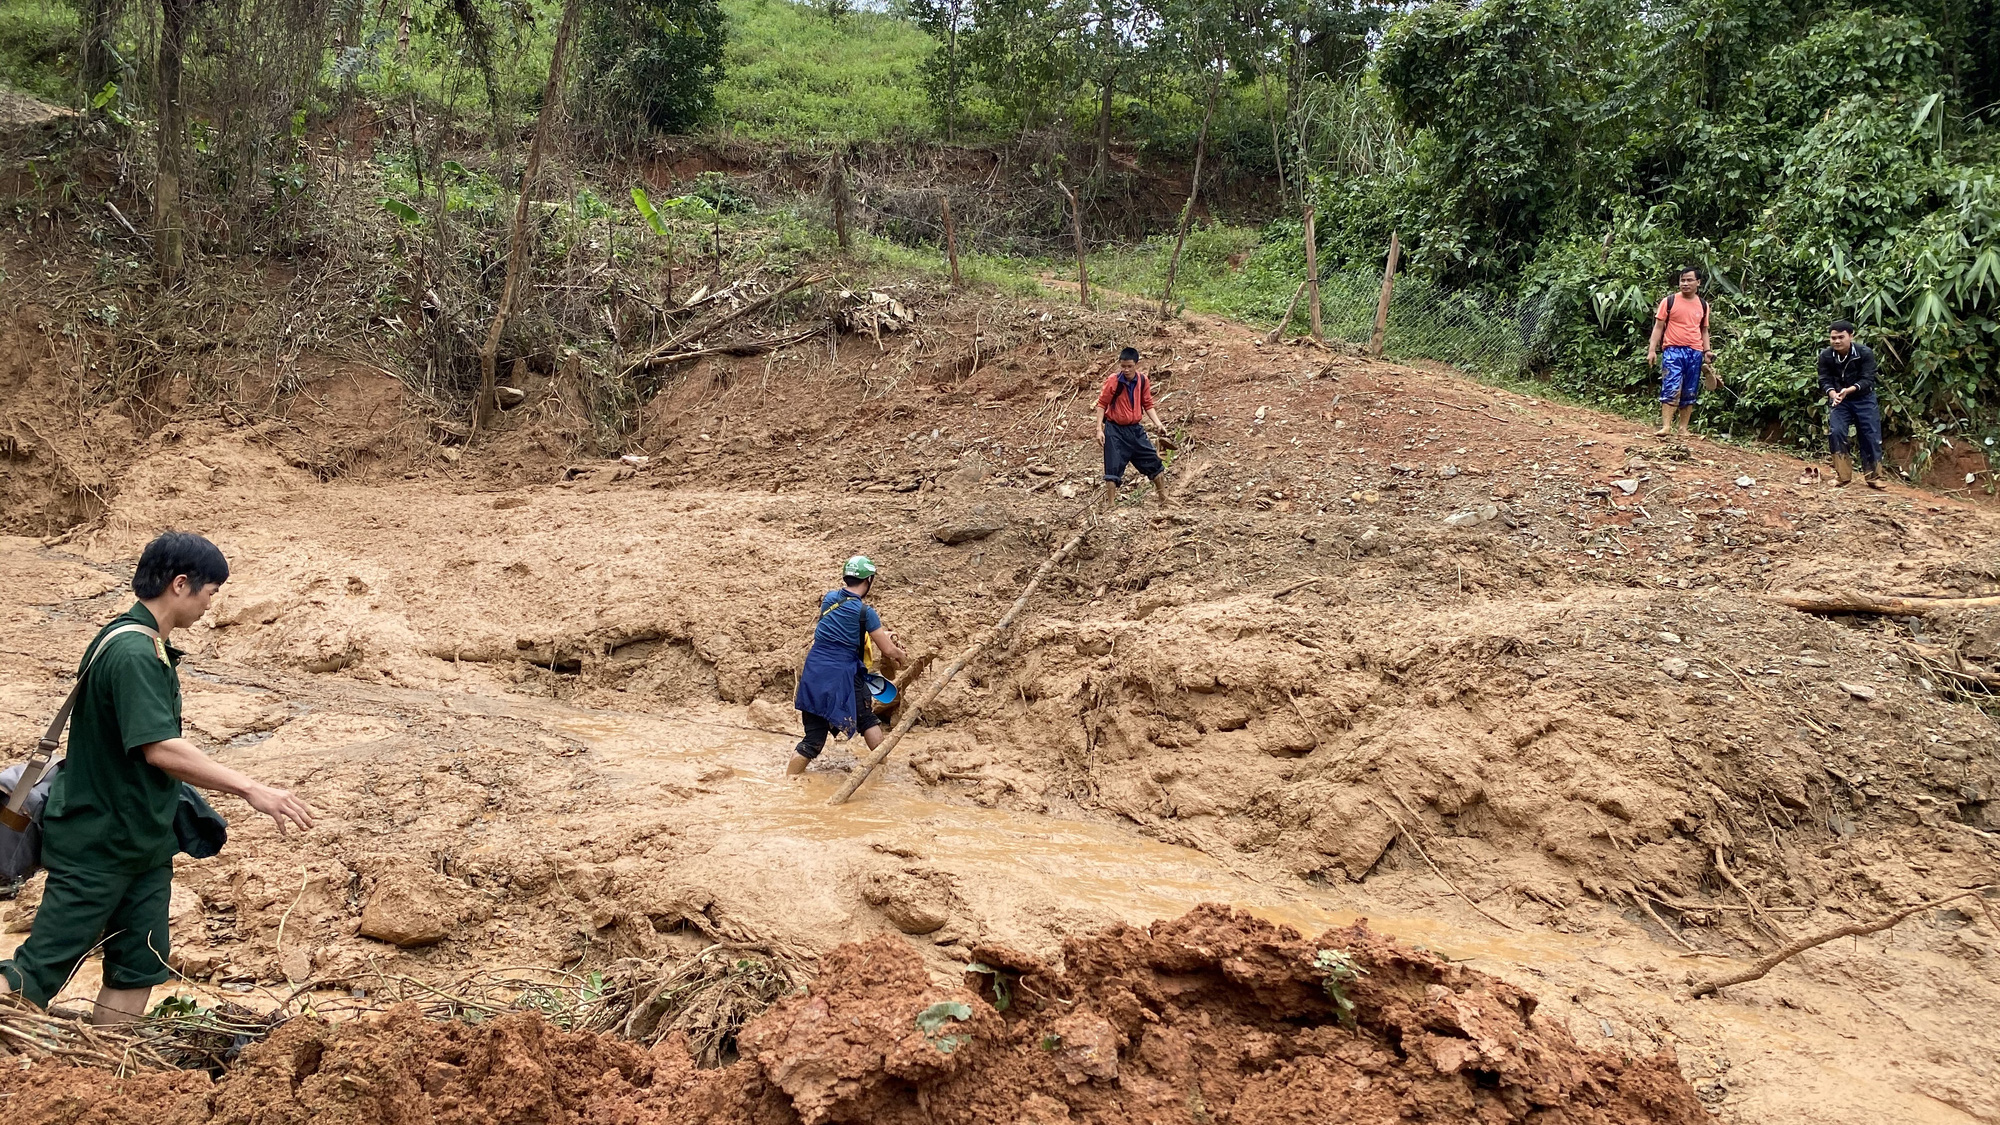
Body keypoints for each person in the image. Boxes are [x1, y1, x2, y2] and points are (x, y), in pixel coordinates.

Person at [0, 532, 316, 1022]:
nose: (212, 605)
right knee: (38, 970)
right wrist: (252, 788)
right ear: (181, 584)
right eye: (211, 592)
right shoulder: (133, 654)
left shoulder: (144, 644)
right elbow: (160, 749)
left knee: (139, 965)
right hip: (98, 844)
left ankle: (111, 1074)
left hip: (142, 845)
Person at [789, 555, 907, 776]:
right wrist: (900, 654)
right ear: (869, 580)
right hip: (844, 676)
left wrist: (878, 635)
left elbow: (841, 632)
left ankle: (790, 781)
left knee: (812, 739)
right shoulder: (866, 613)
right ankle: (883, 773)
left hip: (814, 672)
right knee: (867, 720)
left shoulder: (829, 599)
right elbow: (888, 651)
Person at [1094, 347, 1175, 509]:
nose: (1126, 370)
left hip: (1135, 429)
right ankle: (1111, 504)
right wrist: (1099, 429)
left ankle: (1163, 498)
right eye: (1123, 366)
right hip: (1114, 429)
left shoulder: (1143, 381)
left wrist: (1158, 423)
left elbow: (1147, 404)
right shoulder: (1113, 381)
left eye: (1129, 366)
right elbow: (1102, 404)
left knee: (1153, 460)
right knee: (1112, 466)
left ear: (1136, 364)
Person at [1646, 267, 1715, 437]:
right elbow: (1658, 327)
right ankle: (1666, 427)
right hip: (1672, 350)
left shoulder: (1703, 305)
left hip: (1695, 352)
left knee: (1690, 389)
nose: (1685, 283)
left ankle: (1683, 428)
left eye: (1689, 280)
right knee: (1671, 385)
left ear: (1698, 283)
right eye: (1682, 280)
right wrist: (1652, 350)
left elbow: (1704, 330)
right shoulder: (1669, 301)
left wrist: (1707, 351)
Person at [1818, 320, 1885, 489]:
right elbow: (1824, 380)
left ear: (1851, 336)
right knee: (1836, 432)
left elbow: (1868, 378)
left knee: (1870, 435)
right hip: (1840, 400)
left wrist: (1849, 390)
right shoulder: (1826, 356)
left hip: (1864, 398)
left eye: (1841, 337)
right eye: (1833, 338)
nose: (1837, 341)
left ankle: (1874, 477)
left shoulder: (1864, 353)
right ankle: (1843, 476)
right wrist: (1833, 394)